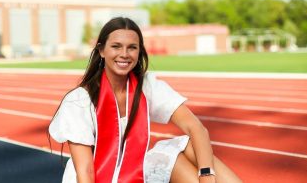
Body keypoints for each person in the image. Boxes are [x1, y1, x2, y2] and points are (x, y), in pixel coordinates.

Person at [48, 17, 242, 183]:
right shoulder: (80, 101)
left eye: (132, 48)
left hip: (134, 171)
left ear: (139, 52)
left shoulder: (146, 86)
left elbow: (196, 128)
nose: (124, 54)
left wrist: (206, 174)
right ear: (101, 50)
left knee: (184, 148)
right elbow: (86, 171)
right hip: (97, 178)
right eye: (116, 46)